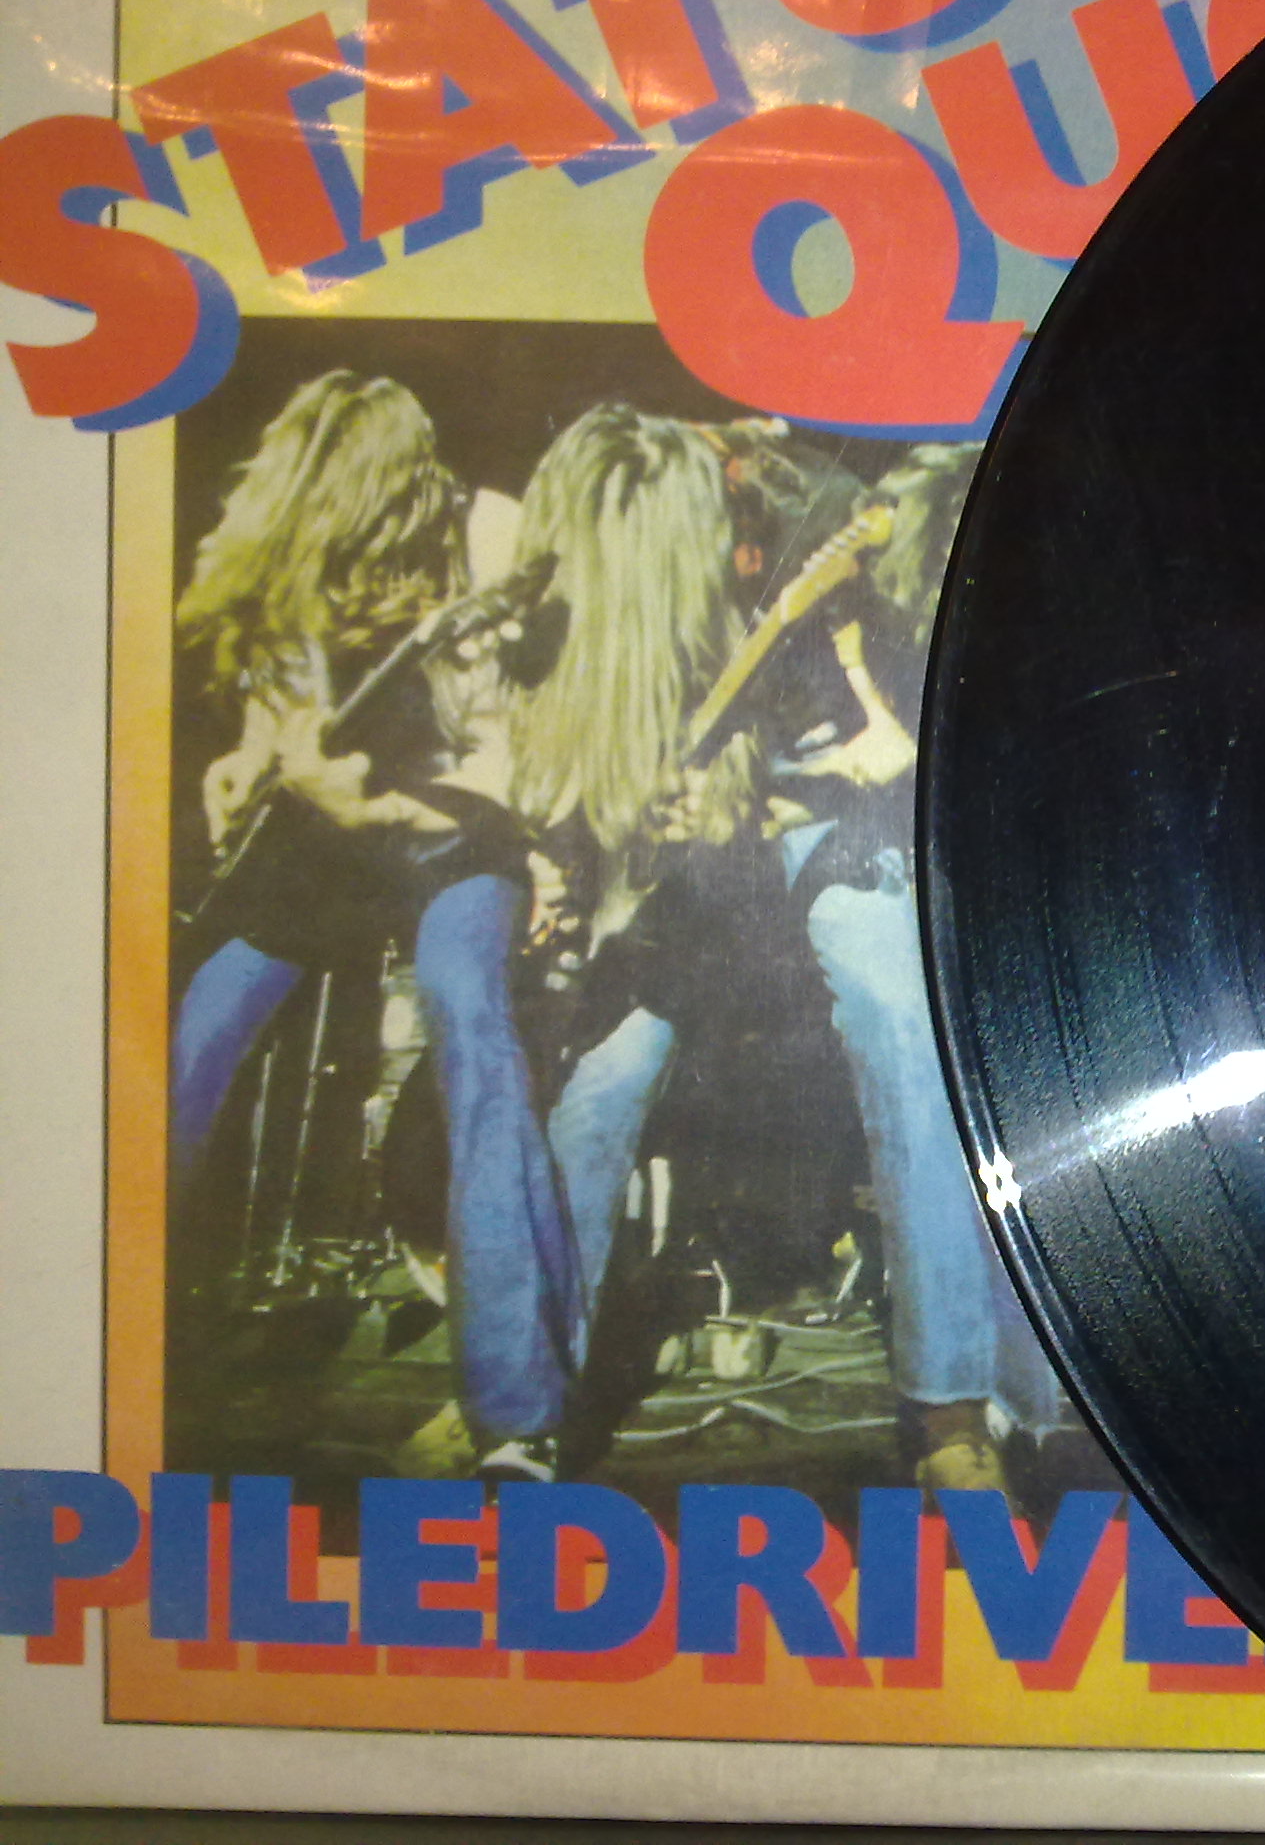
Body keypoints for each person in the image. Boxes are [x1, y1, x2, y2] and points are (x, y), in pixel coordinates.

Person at [513, 409, 1066, 1495]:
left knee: (903, 1020)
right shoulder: (617, 530)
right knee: (600, 1081)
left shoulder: (824, 516)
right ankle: (520, 1404)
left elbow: (907, 743)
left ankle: (952, 1406)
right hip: (699, 853)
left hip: (825, 823)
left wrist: (809, 778)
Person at [167, 369, 561, 1480]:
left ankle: (516, 1414)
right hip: (328, 832)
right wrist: (248, 759)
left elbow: (527, 748)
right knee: (193, 1037)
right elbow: (284, 706)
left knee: (469, 1016)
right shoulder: (302, 543)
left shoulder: (487, 535)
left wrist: (395, 809)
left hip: (452, 829)